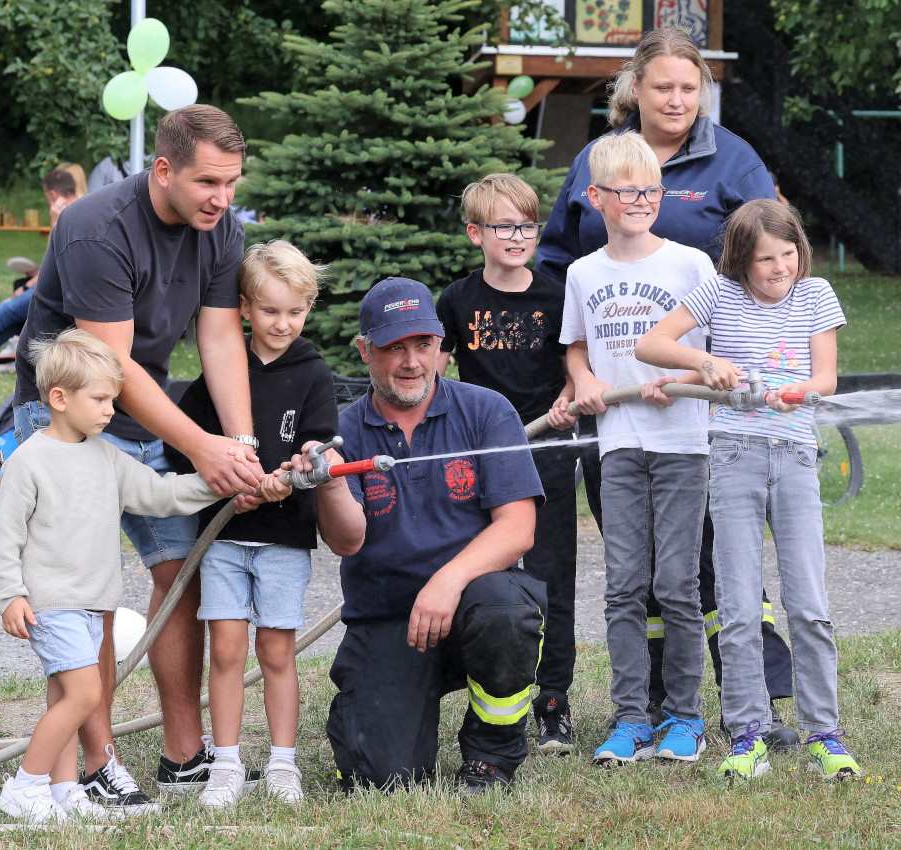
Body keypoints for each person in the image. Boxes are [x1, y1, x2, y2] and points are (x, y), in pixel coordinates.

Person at [535, 25, 796, 746]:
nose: (678, 99)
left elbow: (775, 257)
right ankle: (643, 705)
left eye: (691, 87)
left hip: (705, 398)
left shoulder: (733, 159)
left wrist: (729, 363)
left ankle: (756, 700)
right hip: (618, 409)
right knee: (638, 571)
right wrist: (579, 374)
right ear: (635, 91)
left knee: (721, 559)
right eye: (663, 86)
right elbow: (559, 259)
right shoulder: (600, 157)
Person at [11, 104, 262, 804]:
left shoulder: (222, 230)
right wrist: (200, 448)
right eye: (209, 182)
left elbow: (218, 340)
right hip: (67, 415)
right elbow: (110, 365)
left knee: (178, 573)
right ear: (162, 169)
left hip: (143, 409)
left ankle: (183, 754)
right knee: (82, 595)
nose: (222, 198)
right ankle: (96, 764)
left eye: (233, 182)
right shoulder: (95, 226)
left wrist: (236, 447)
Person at [289, 276, 546, 793]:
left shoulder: (487, 410)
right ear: (365, 351)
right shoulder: (345, 431)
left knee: (506, 612)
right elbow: (346, 542)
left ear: (439, 346)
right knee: (383, 779)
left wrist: (448, 581)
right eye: (394, 348)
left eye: (423, 345)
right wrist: (331, 483)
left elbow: (518, 529)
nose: (411, 362)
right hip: (390, 619)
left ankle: (490, 754)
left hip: (475, 601)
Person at [635, 199, 861, 781]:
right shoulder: (718, 294)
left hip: (793, 456)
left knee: (808, 604)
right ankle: (748, 734)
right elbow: (651, 345)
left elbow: (826, 378)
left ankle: (823, 733)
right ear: (740, 260)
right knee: (736, 607)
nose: (780, 267)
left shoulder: (816, 296)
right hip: (732, 458)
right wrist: (704, 363)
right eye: (765, 258)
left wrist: (791, 393)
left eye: (788, 254)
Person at [0, 329, 221, 822]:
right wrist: (9, 595)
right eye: (100, 399)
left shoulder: (107, 458)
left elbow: (162, 497)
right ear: (59, 398)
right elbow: (3, 539)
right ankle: (25, 786)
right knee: (86, 694)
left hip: (92, 604)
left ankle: (65, 790)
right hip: (51, 603)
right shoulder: (29, 462)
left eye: (114, 398)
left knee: (63, 695)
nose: (112, 409)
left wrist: (218, 483)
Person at [167, 241, 339, 807]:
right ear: (243, 307)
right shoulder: (223, 367)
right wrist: (221, 484)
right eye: (270, 311)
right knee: (226, 650)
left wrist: (294, 470)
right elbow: (182, 446)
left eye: (295, 311)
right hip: (222, 538)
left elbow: (322, 447)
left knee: (277, 650)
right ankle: (226, 764)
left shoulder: (313, 371)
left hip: (286, 538)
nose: (283, 323)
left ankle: (283, 764)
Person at [561, 131, 710, 766]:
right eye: (627, 190)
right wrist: (586, 380)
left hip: (682, 445)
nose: (642, 199)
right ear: (596, 197)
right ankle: (629, 718)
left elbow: (709, 358)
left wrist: (677, 381)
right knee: (624, 585)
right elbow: (575, 347)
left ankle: (685, 717)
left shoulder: (690, 266)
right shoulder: (581, 272)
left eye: (651, 189)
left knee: (676, 584)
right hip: (618, 444)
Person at [435, 173, 580, 755]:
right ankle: (491, 690)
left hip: (546, 450)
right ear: (476, 233)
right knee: (490, 575)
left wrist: (569, 400)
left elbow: (579, 365)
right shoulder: (458, 300)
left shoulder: (555, 295)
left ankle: (552, 703)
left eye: (526, 225)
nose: (517, 236)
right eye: (503, 226)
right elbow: (436, 374)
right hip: (485, 457)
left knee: (551, 574)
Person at [0, 168, 79, 354]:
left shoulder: (68, 214)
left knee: (3, 313)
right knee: (15, 322)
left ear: (53, 194)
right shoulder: (86, 205)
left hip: (59, 291)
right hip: (62, 286)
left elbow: (54, 260)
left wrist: (54, 221)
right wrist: (27, 285)